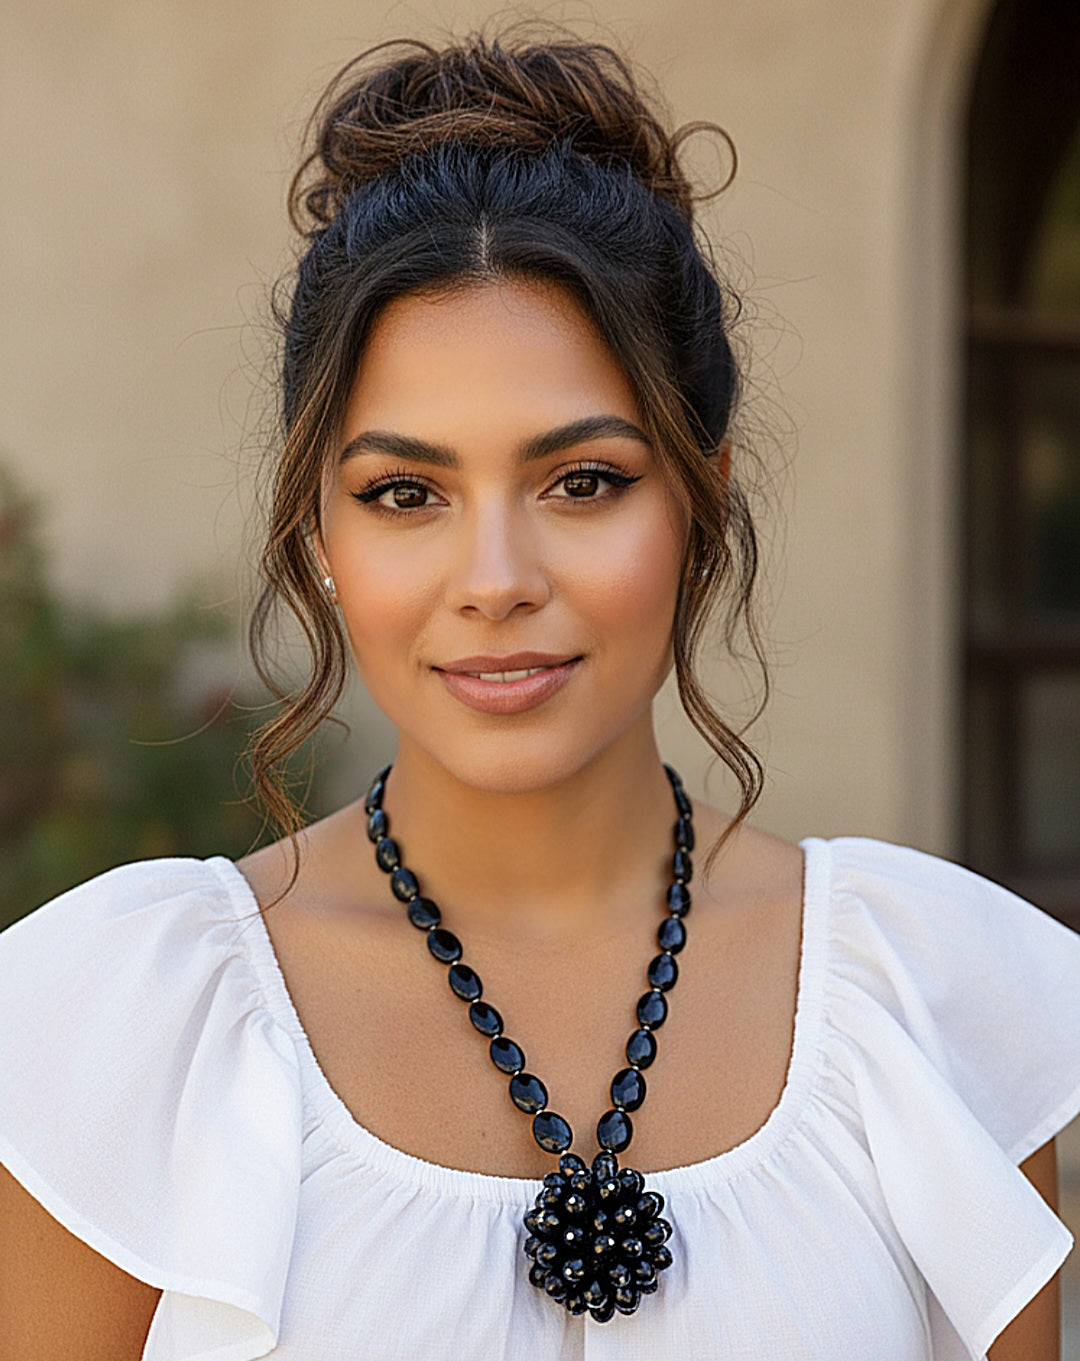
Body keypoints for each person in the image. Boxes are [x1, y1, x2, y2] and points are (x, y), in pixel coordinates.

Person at [0, 24, 1077, 1361]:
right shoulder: (117, 1033)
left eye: (584, 482)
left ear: (701, 498)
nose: (495, 577)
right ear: (320, 536)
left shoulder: (939, 1004)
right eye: (407, 493)